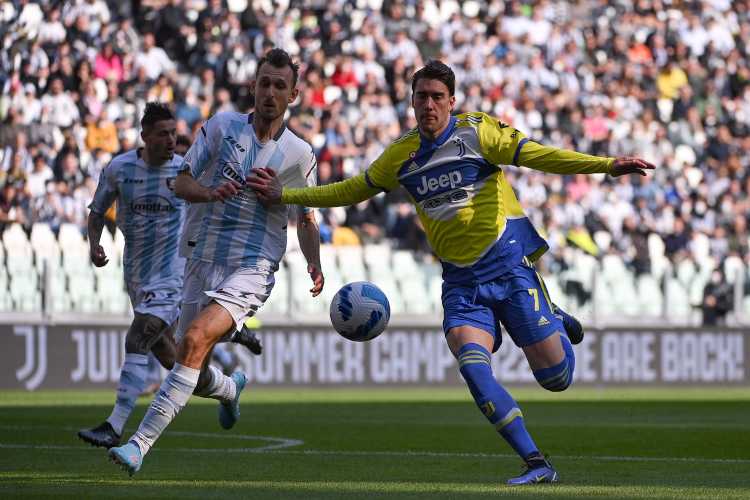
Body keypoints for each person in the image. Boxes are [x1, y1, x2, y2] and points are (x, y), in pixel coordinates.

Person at [248, 60, 655, 485]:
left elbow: (540, 155)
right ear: (411, 102)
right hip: (461, 282)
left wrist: (606, 165)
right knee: (473, 366)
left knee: (557, 379)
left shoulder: (477, 133)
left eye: (437, 97)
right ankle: (536, 462)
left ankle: (551, 316)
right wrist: (287, 195)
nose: (429, 104)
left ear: (451, 102)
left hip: (509, 267)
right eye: (421, 96)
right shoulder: (401, 155)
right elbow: (351, 190)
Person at [109, 48, 323, 475]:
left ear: (293, 95)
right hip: (200, 255)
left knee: (193, 339)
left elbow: (307, 217)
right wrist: (210, 193)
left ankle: (138, 444)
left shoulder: (299, 154)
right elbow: (182, 181)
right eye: (264, 83)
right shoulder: (222, 127)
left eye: (280, 86)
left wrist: (316, 264)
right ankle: (228, 388)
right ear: (253, 86)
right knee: (191, 358)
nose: (270, 92)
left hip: (253, 265)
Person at [78, 103, 185, 449]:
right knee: (175, 360)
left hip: (173, 276)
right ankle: (228, 388)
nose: (171, 140)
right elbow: (96, 213)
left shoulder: (185, 172)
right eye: (163, 134)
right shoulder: (119, 169)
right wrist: (94, 245)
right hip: (137, 275)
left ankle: (115, 425)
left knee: (136, 338)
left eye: (174, 133)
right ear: (145, 136)